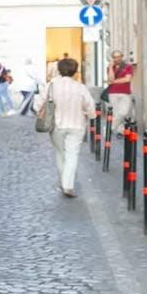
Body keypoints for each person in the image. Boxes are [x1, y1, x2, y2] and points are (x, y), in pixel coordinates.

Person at [44, 57, 96, 196]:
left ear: (59, 70)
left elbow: (38, 104)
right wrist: (90, 115)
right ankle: (68, 186)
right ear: (75, 71)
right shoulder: (80, 87)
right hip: (77, 124)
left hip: (57, 125)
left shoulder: (51, 85)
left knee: (60, 154)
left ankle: (63, 183)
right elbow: (90, 105)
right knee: (72, 155)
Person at [107, 50, 135, 123]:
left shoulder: (128, 66)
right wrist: (110, 67)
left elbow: (127, 79)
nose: (117, 58)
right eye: (115, 57)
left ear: (122, 57)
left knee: (123, 112)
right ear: (113, 58)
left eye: (119, 56)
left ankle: (110, 128)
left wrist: (113, 82)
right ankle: (119, 131)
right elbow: (110, 78)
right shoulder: (110, 67)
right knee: (115, 113)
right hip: (113, 93)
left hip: (125, 93)